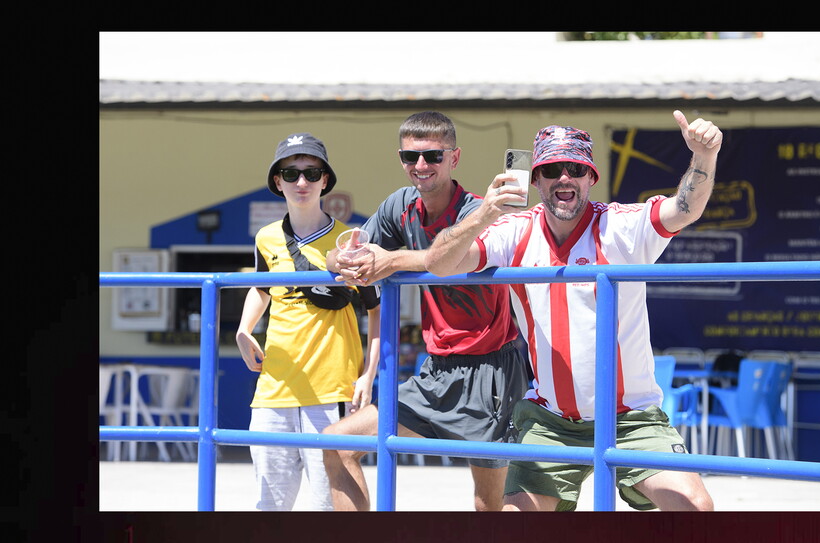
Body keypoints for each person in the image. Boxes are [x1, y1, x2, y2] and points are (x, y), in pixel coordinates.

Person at [424, 111, 720, 511]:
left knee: (695, 508)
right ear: (536, 180)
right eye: (552, 169)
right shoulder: (515, 231)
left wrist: (704, 157)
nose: (564, 178)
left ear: (590, 178)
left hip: (630, 419)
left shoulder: (619, 226)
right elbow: (439, 264)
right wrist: (485, 212)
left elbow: (684, 209)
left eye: (575, 168)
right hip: (552, 422)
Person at [321, 111, 528, 511]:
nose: (421, 166)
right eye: (410, 157)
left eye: (433, 156)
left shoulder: (479, 211)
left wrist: (392, 260)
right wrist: (341, 261)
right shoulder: (400, 205)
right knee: (337, 444)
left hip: (492, 371)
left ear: (455, 158)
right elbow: (349, 249)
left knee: (489, 504)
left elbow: (440, 259)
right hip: (436, 372)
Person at [235, 132, 382, 511]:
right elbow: (261, 288)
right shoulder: (266, 237)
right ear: (277, 181)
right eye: (291, 172)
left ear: (325, 180)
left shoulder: (351, 241)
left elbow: (376, 308)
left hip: (332, 388)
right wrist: (243, 330)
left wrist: (369, 373)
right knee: (269, 506)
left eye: (312, 173)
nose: (302, 182)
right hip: (275, 387)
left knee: (328, 507)